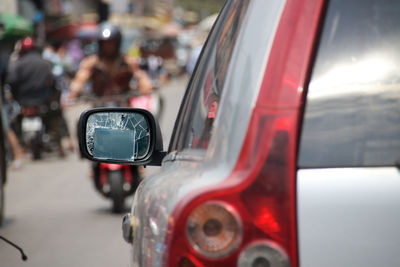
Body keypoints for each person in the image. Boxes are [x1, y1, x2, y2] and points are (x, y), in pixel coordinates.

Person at [69, 22, 153, 99]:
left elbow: (141, 77)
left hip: (123, 105)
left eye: (111, 43)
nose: (108, 47)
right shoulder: (91, 63)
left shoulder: (127, 61)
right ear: (100, 44)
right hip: (99, 106)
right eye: (105, 43)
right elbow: (79, 80)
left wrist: (146, 88)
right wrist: (73, 94)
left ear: (117, 43)